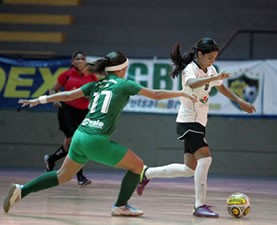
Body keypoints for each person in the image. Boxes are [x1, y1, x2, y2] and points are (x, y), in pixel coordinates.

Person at [3, 50, 196, 216]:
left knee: (62, 175)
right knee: (137, 167)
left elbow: (69, 95)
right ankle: (121, 206)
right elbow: (156, 95)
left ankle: (22, 190)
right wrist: (181, 93)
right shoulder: (124, 84)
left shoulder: (96, 85)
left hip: (80, 136)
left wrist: (41, 99)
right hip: (95, 139)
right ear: (121, 68)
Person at [136, 37, 256, 218]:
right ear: (200, 54)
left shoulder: (210, 69)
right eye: (210, 57)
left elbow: (221, 87)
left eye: (215, 58)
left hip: (199, 122)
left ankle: (147, 173)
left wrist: (239, 101)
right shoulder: (190, 69)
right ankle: (199, 205)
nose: (212, 61)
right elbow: (191, 84)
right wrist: (214, 77)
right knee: (205, 159)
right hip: (188, 121)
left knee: (189, 169)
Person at [43, 51, 98, 188]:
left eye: (82, 58)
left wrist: (88, 97)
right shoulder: (66, 75)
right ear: (73, 62)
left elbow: (97, 94)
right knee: (75, 140)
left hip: (84, 111)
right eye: (77, 59)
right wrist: (55, 100)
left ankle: (51, 159)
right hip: (67, 110)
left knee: (73, 143)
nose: (80, 61)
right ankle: (80, 177)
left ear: (86, 61)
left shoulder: (92, 77)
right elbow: (53, 89)